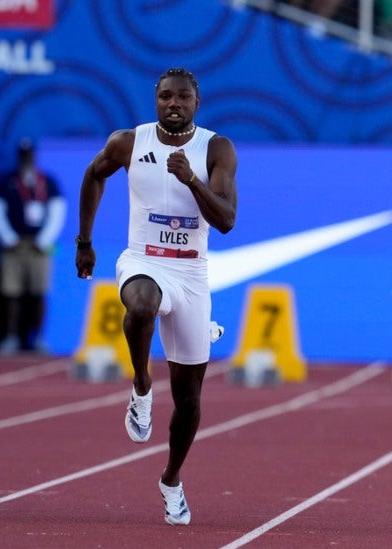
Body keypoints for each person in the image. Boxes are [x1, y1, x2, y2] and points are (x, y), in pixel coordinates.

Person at [76, 67, 238, 524]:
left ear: (196, 102)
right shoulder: (129, 142)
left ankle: (171, 479)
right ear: (155, 100)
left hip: (190, 274)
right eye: (166, 96)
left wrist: (192, 180)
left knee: (189, 400)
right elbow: (93, 175)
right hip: (142, 259)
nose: (174, 104)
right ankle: (142, 386)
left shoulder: (216, 148)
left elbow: (226, 220)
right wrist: (84, 242)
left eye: (183, 97)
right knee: (141, 302)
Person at [0, 138, 66, 354]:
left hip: (39, 246)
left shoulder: (47, 181)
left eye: (29, 155)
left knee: (40, 291)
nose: (26, 159)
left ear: (35, 156)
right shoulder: (6, 181)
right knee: (11, 292)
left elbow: (57, 211)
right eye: (23, 156)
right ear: (18, 157)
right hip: (15, 245)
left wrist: (46, 239)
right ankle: (12, 336)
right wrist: (7, 237)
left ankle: (39, 337)